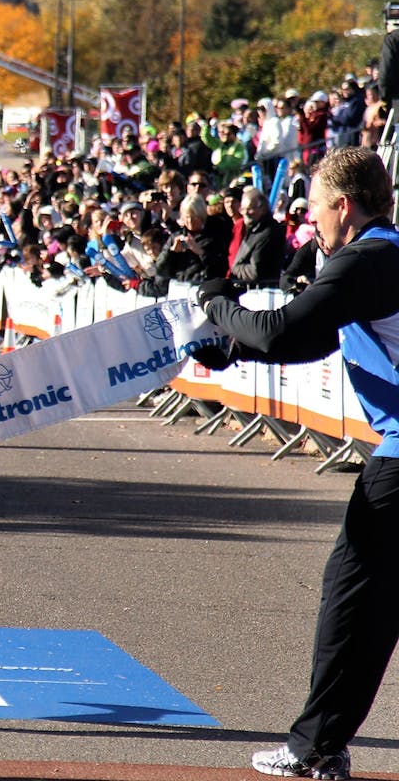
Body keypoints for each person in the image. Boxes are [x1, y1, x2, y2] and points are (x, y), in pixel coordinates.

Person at [197, 147, 399, 781]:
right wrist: (234, 348)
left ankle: (315, 747)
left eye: (313, 210)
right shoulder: (381, 256)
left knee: (354, 595)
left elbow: (283, 331)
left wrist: (216, 302)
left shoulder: (369, 257)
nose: (309, 224)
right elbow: (312, 337)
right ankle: (324, 743)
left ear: (344, 206)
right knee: (372, 602)